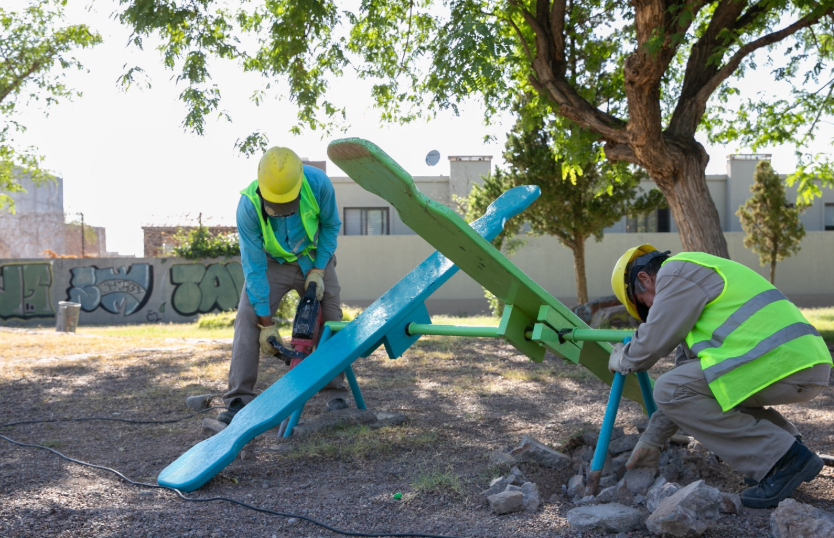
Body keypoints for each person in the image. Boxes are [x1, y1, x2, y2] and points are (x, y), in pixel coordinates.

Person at [608, 244, 832, 508]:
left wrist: (621, 358)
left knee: (668, 388)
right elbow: (685, 387)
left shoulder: (675, 274)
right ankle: (786, 448)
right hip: (797, 360)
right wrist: (652, 438)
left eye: (644, 306)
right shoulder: (695, 280)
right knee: (693, 388)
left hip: (782, 360)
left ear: (644, 278)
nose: (650, 312)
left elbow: (652, 344)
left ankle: (784, 458)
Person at [217, 146, 348, 425]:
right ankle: (238, 399)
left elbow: (330, 226)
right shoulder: (248, 207)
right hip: (271, 262)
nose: (283, 211)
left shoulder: (319, 185)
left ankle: (335, 393)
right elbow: (254, 268)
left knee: (332, 317)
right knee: (248, 317)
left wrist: (318, 270)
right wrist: (266, 325)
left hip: (313, 256)